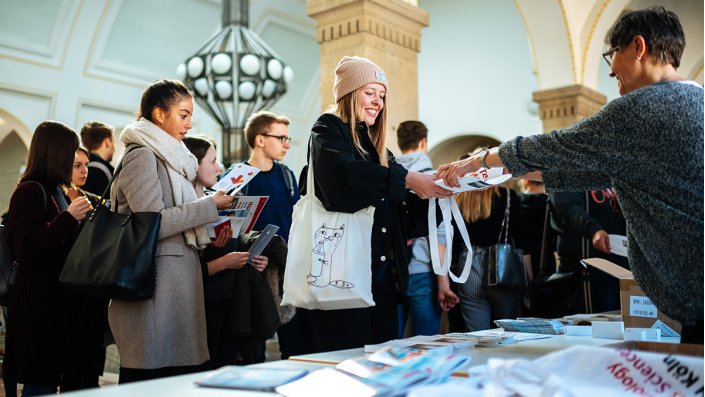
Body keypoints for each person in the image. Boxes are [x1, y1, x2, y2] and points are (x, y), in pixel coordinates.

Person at [436, 6, 703, 343]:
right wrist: (501, 172)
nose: (610, 73)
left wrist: (478, 161)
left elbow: (559, 146)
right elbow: (586, 171)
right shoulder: (695, 99)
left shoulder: (647, 105)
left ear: (638, 47)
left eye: (611, 56)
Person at [302, 56, 452, 351]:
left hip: (381, 280)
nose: (377, 102)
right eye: (369, 92)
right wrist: (409, 179)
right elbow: (342, 180)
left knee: (379, 359)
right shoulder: (327, 128)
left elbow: (401, 209)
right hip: (342, 277)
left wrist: (441, 189)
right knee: (349, 361)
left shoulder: (377, 146)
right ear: (348, 93)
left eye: (381, 95)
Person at [108, 79, 234, 383]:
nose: (189, 124)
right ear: (158, 114)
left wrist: (208, 230)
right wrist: (208, 206)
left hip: (174, 286)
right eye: (183, 115)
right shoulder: (142, 155)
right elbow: (151, 223)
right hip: (155, 290)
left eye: (191, 116)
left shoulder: (174, 159)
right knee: (150, 378)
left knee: (176, 378)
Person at [5, 121, 93, 396]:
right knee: (39, 384)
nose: (73, 160)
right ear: (55, 153)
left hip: (55, 302)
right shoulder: (30, 190)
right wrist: (69, 217)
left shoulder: (55, 190)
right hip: (37, 304)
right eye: (69, 153)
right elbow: (27, 246)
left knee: (49, 381)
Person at [182, 135, 271, 367]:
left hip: (231, 301)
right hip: (204, 307)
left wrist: (251, 258)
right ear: (193, 164)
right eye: (212, 161)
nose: (219, 167)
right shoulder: (186, 207)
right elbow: (187, 270)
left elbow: (226, 248)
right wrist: (224, 261)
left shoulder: (215, 201)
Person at [239, 111, 320, 359]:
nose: (286, 144)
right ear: (260, 139)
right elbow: (230, 228)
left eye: (288, 139)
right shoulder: (239, 177)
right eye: (281, 138)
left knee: (297, 347)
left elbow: (296, 221)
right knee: (252, 350)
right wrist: (248, 256)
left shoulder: (287, 176)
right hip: (255, 272)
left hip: (289, 269)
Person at [452, 152, 529, 331]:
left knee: (477, 333)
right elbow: (521, 240)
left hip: (468, 267)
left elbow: (453, 240)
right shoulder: (508, 196)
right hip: (502, 266)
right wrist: (529, 276)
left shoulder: (459, 199)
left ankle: (480, 359)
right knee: (509, 330)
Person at [395, 120, 458, 336]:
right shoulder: (434, 178)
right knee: (426, 342)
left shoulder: (388, 175)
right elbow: (440, 234)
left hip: (392, 271)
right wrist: (444, 283)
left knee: (388, 343)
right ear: (423, 142)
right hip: (422, 271)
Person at [60, 146, 109, 392]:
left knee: (90, 354)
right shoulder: (56, 197)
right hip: (66, 288)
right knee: (70, 359)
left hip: (91, 288)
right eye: (77, 165)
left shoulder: (92, 199)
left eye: (86, 165)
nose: (84, 171)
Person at [550, 190, 628, 314]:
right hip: (586, 277)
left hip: (623, 273)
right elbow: (568, 208)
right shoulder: (566, 173)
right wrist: (593, 230)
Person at [80, 121, 116, 196]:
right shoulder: (102, 173)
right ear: (107, 142)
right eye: (114, 142)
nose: (114, 146)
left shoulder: (78, 167)